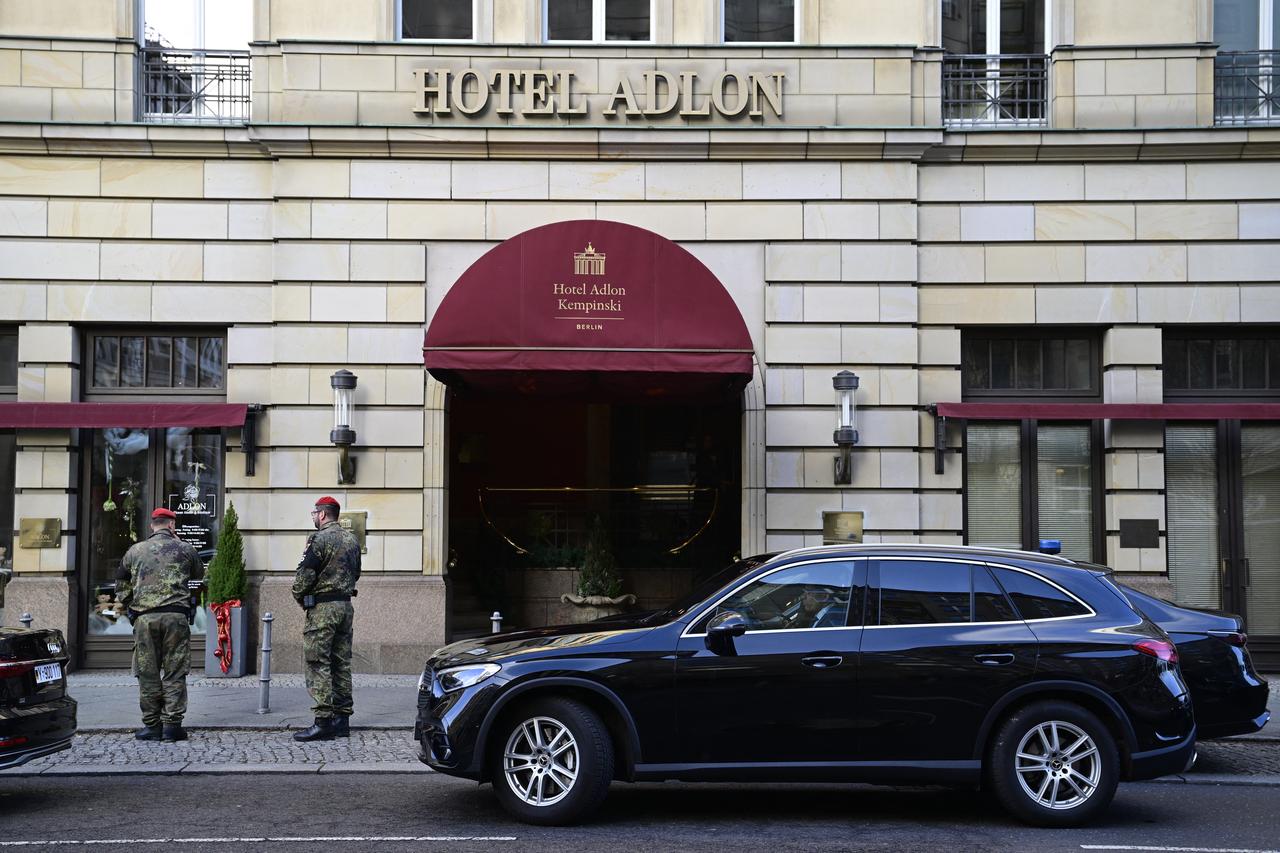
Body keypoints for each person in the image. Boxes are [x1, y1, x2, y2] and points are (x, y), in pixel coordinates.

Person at [117, 507, 200, 742]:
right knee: (175, 671)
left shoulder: (135, 550)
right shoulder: (185, 549)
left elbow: (120, 583)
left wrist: (132, 605)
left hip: (145, 618)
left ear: (152, 525)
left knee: (147, 672)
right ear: (171, 525)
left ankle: (152, 726)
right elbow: (198, 574)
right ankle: (172, 726)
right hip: (176, 617)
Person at [292, 495, 361, 742]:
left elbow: (305, 575)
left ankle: (323, 722)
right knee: (341, 662)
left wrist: (299, 595)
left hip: (322, 609)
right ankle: (342, 721)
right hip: (345, 606)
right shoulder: (352, 540)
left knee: (318, 662)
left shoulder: (318, 539)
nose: (313, 517)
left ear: (322, 514)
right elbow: (357, 573)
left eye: (314, 513)